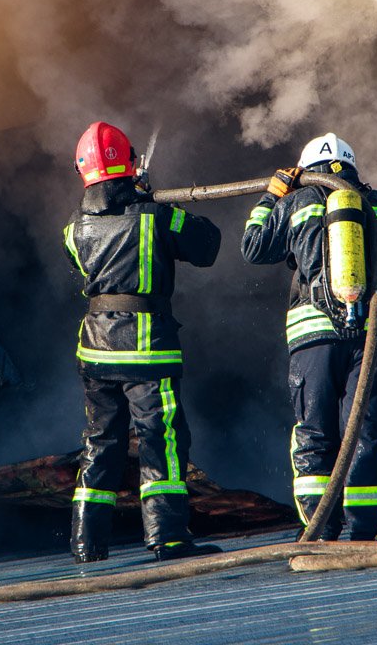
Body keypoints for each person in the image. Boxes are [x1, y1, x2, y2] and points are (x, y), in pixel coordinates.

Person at [240, 133, 377, 541]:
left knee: (315, 433)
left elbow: (253, 247)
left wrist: (272, 196)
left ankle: (320, 531)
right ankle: (368, 533)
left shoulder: (296, 203)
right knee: (367, 432)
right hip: (375, 339)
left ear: (306, 170)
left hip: (314, 338)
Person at [63, 121, 223, 563]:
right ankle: (167, 537)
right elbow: (208, 245)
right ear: (129, 163)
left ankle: (86, 542)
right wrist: (154, 201)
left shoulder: (73, 229)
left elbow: (88, 263)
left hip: (95, 349)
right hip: (147, 348)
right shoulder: (156, 216)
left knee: (100, 441)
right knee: (160, 437)